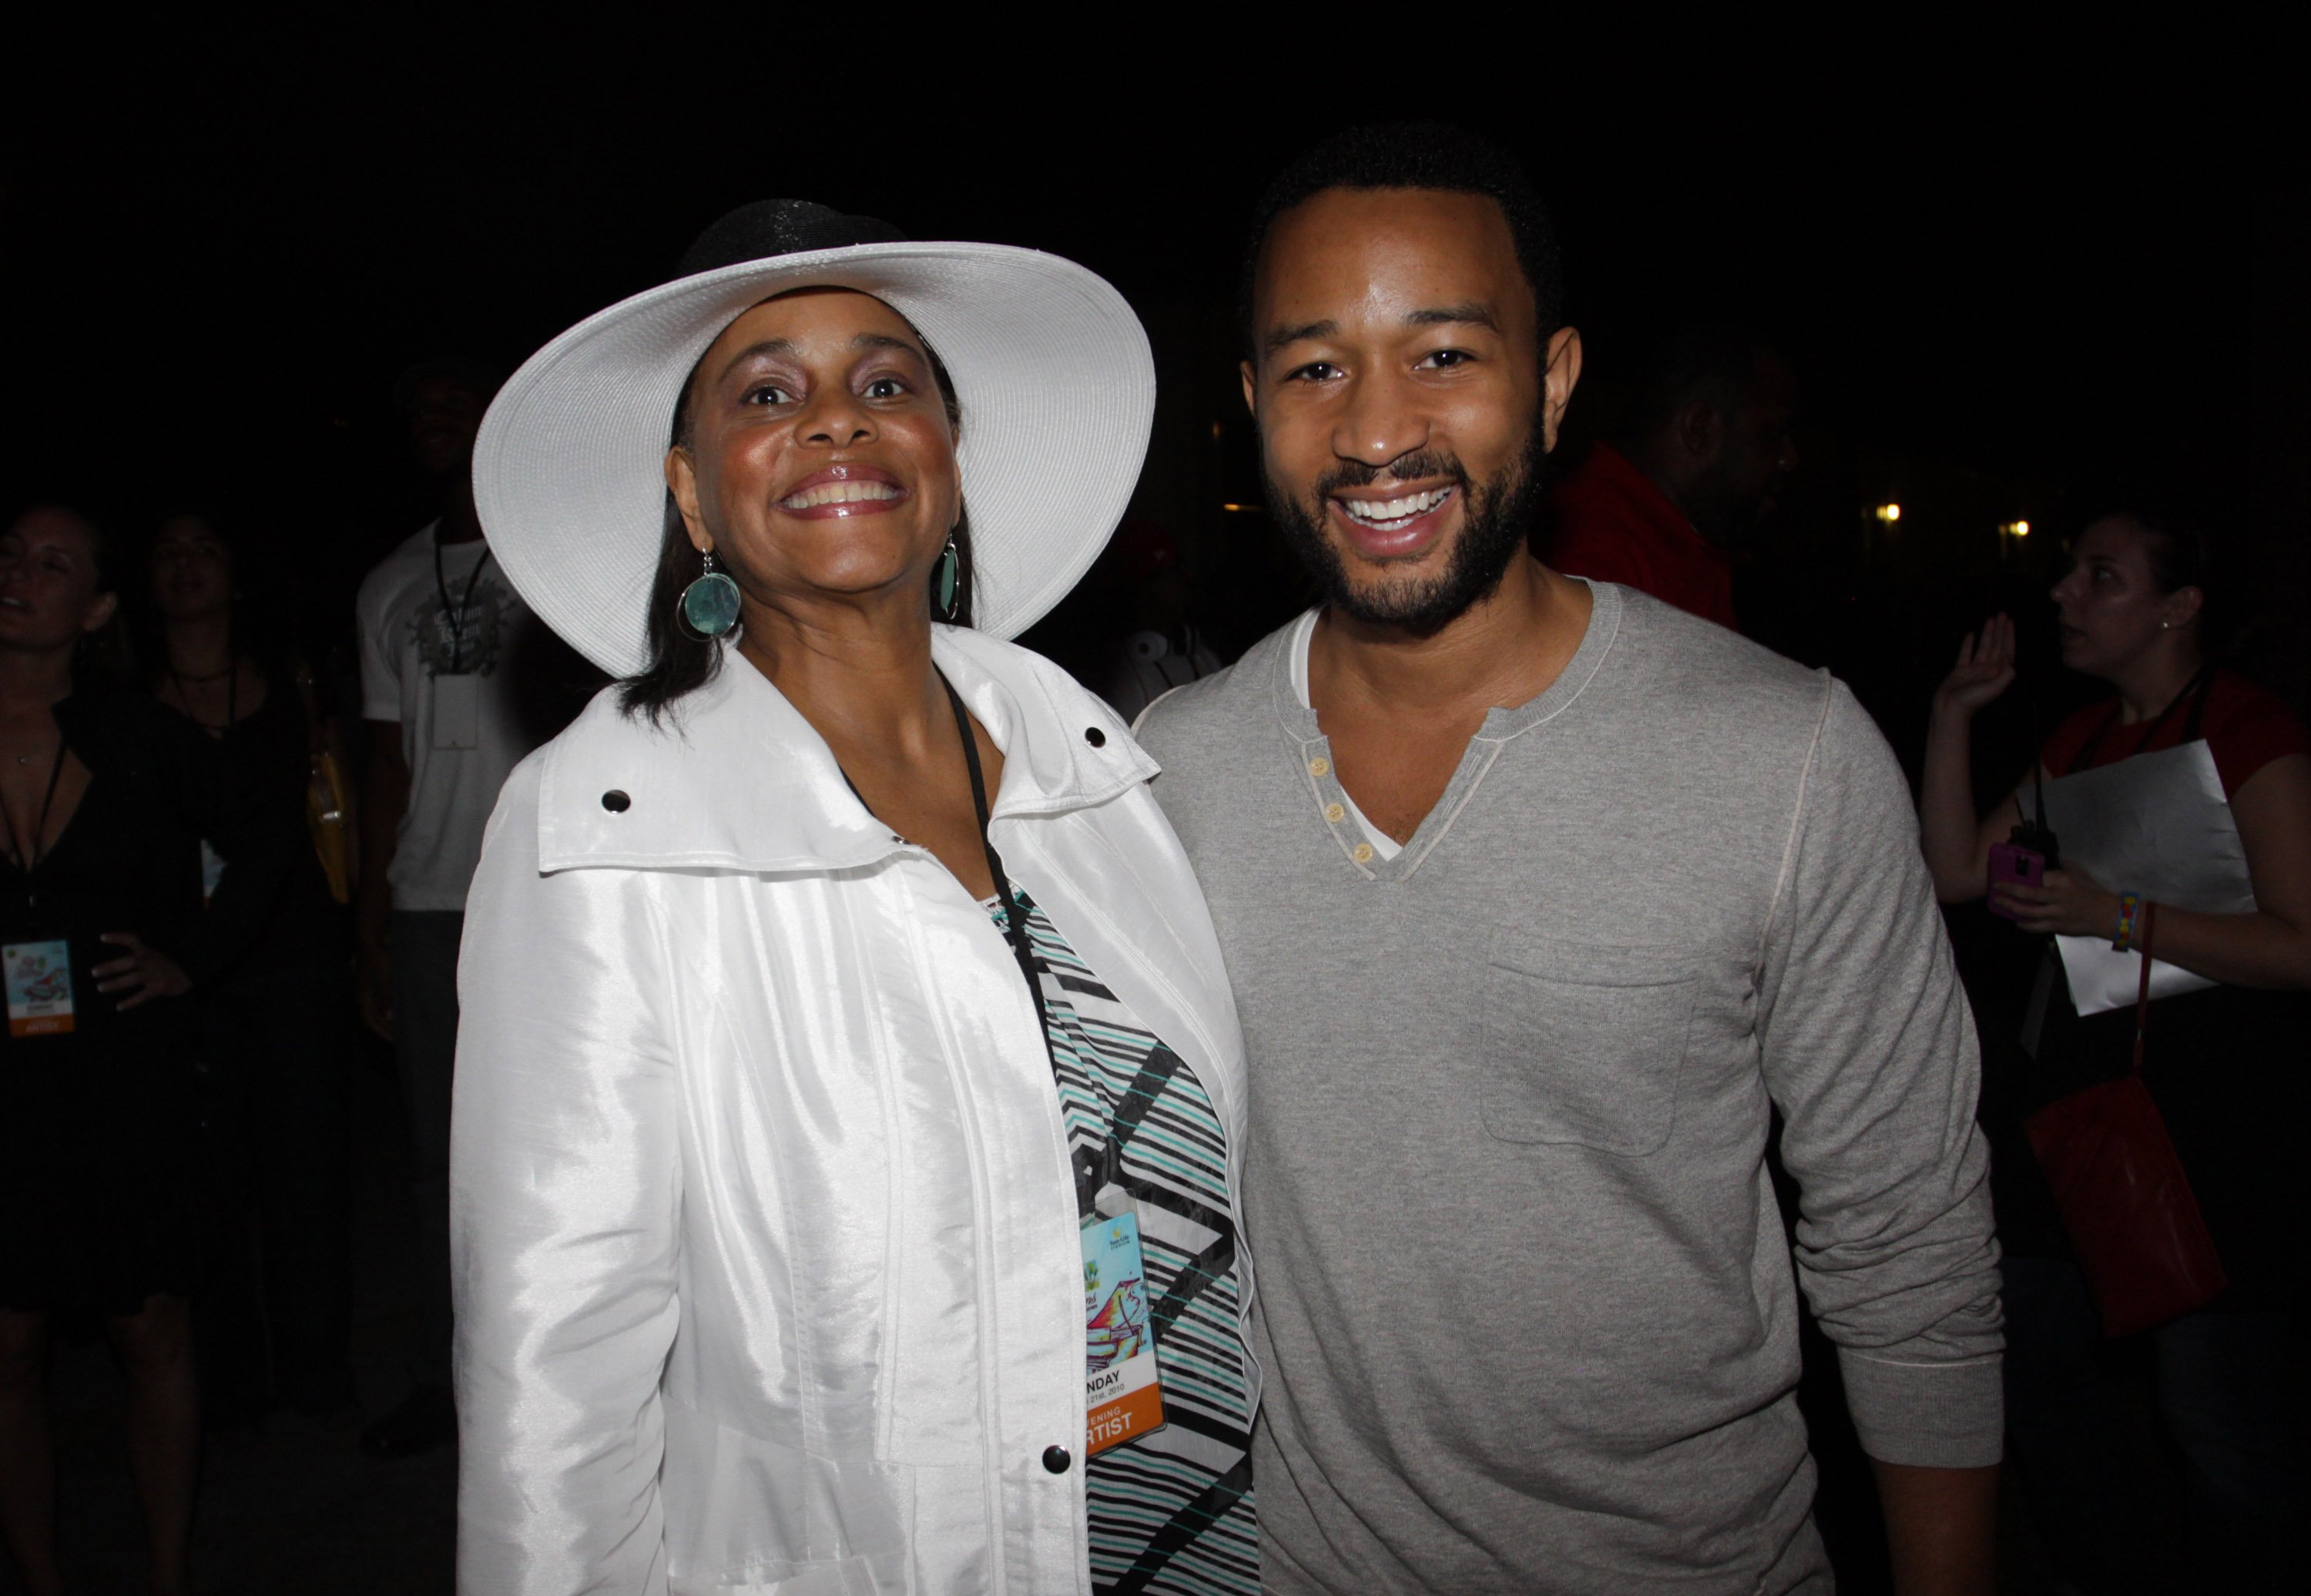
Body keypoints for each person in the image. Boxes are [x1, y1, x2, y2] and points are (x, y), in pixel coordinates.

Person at [1132, 125, 2001, 1594]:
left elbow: (1909, 1245)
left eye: (1446, 355)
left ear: (1553, 380)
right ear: (1251, 400)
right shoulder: (1167, 768)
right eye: (1315, 365)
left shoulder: (1782, 758)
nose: (1374, 431)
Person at [452, 200, 1257, 1594]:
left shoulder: (1091, 755)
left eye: (887, 383)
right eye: (768, 395)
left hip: (1201, 1535)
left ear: (947, 459)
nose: (838, 421)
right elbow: (554, 1385)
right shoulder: (606, 827)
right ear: (696, 494)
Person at [1920, 509, 2309, 1591]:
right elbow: (1956, 870)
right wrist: (1952, 716)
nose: (2064, 595)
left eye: (2101, 576)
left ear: (2181, 607)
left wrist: (2117, 915)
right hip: (2082, 1120)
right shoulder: (2081, 740)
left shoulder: (2250, 727)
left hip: (2215, 1134)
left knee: (2217, 1426)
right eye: (2070, 573)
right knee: (2041, 1382)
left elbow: (2302, 942)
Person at [0, 505, 289, 1596]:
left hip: (125, 1069)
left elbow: (266, 836)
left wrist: (193, 960)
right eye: (11, 555)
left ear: (98, 609)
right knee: (9, 1346)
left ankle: (169, 1573)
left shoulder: (137, 735)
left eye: (54, 564)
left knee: (150, 1323)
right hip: (5, 1087)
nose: (21, 573)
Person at [353, 358, 556, 1458]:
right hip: (432, 903)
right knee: (441, 1159)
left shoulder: (556, 558)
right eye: (419, 403)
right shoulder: (385, 584)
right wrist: (371, 924)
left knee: (560, 1148)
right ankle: (454, 1380)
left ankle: (562, 1376)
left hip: (545, 891)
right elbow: (383, 761)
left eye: (454, 396)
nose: (434, 414)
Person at [146, 511, 359, 1423]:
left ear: (235, 577)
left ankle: (316, 1380)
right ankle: (230, 1388)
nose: (187, 566)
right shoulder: (121, 703)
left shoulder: (293, 687)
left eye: (206, 548)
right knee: (207, 1191)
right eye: (168, 552)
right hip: (179, 977)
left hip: (296, 963)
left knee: (305, 1182)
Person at [1544, 324, 1799, 629]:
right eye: (1773, 434)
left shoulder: (1680, 546)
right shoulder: (1597, 558)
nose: (1789, 459)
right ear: (1699, 429)